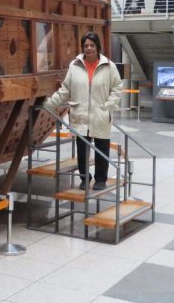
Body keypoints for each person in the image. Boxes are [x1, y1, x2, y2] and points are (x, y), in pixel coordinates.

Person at [45, 32, 122, 191]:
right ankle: (84, 177)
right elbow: (65, 89)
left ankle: (101, 179)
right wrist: (51, 103)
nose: (89, 48)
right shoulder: (75, 66)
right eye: (86, 45)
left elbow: (117, 88)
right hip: (80, 115)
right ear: (82, 48)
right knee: (82, 149)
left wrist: (108, 106)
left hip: (100, 115)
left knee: (102, 148)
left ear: (97, 47)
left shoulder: (109, 66)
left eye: (92, 45)